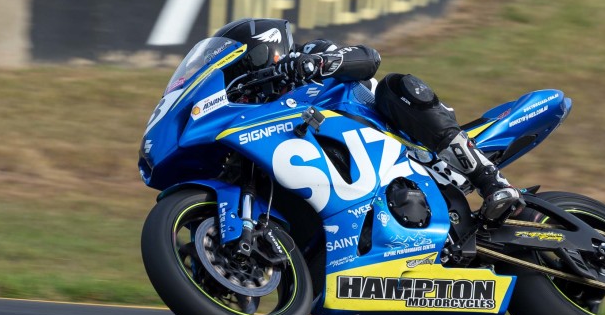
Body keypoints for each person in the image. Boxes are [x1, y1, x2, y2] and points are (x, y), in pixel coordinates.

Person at [213, 18, 524, 225]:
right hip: (366, 183)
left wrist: (318, 63)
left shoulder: (306, 56)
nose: (239, 85)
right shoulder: (265, 122)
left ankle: (491, 182)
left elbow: (368, 57)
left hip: (408, 139)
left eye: (239, 71)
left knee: (395, 86)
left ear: (262, 52)